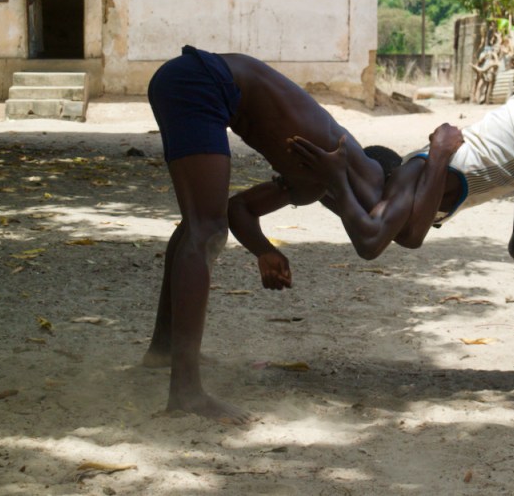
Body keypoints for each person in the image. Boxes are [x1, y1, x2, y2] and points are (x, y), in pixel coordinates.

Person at [290, 87, 514, 428]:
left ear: (386, 181)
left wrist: (338, 180)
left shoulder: (410, 177)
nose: (375, 210)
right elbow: (389, 232)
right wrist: (326, 186)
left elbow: (391, 239)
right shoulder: (410, 191)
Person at [144, 45, 391, 423]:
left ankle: (163, 349)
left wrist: (265, 250)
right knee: (206, 229)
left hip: (191, 79)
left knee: (200, 223)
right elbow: (373, 238)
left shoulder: (315, 181)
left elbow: (240, 209)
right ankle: (187, 393)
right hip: (203, 82)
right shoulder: (368, 172)